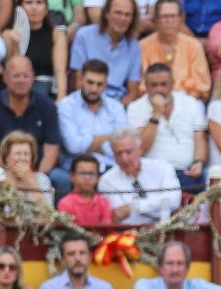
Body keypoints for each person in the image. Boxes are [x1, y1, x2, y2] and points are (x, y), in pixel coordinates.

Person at [0, 53, 64, 181]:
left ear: (33, 77)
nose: (21, 80)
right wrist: (11, 174)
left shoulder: (47, 106)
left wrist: (37, 176)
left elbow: (51, 148)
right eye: (16, 76)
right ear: (5, 77)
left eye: (26, 76)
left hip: (38, 171)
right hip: (3, 171)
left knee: (60, 179)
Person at [127, 60, 205, 190]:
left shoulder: (191, 103)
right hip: (152, 175)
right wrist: (156, 114)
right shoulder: (135, 108)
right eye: (154, 85)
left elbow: (200, 139)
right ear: (145, 86)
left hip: (187, 172)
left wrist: (199, 162)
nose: (159, 90)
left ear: (172, 84)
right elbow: (141, 148)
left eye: (164, 84)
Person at [61, 55, 128, 160]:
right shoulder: (67, 105)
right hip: (79, 170)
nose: (94, 89)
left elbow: (124, 144)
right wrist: (111, 137)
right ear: (81, 79)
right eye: (90, 82)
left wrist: (86, 144)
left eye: (99, 84)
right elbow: (73, 146)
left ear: (106, 84)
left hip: (112, 168)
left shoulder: (116, 107)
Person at [139, 0, 208, 100]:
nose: (169, 20)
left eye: (173, 16)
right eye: (164, 16)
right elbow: (142, 86)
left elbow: (201, 88)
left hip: (188, 101)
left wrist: (179, 104)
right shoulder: (143, 46)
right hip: (152, 100)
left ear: (181, 19)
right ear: (156, 20)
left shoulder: (194, 45)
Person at [11, 0, 72, 99]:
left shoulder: (57, 35)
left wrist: (61, 97)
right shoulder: (10, 35)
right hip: (19, 90)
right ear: (20, 8)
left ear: (46, 9)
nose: (34, 7)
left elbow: (60, 70)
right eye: (29, 2)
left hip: (46, 90)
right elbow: (13, 70)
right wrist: (15, 44)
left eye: (39, 2)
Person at [39, 231, 117, 289]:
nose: (78, 258)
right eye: (71, 254)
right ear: (63, 260)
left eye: (82, 253)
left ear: (90, 257)